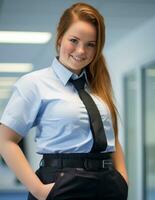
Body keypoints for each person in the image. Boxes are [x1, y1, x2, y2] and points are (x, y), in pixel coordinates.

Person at [0, 2, 128, 200]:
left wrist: (122, 179)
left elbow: (112, 137)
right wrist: (39, 191)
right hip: (61, 184)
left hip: (108, 185)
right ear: (60, 39)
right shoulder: (34, 83)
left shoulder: (97, 86)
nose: (81, 51)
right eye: (74, 40)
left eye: (90, 44)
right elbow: (5, 140)